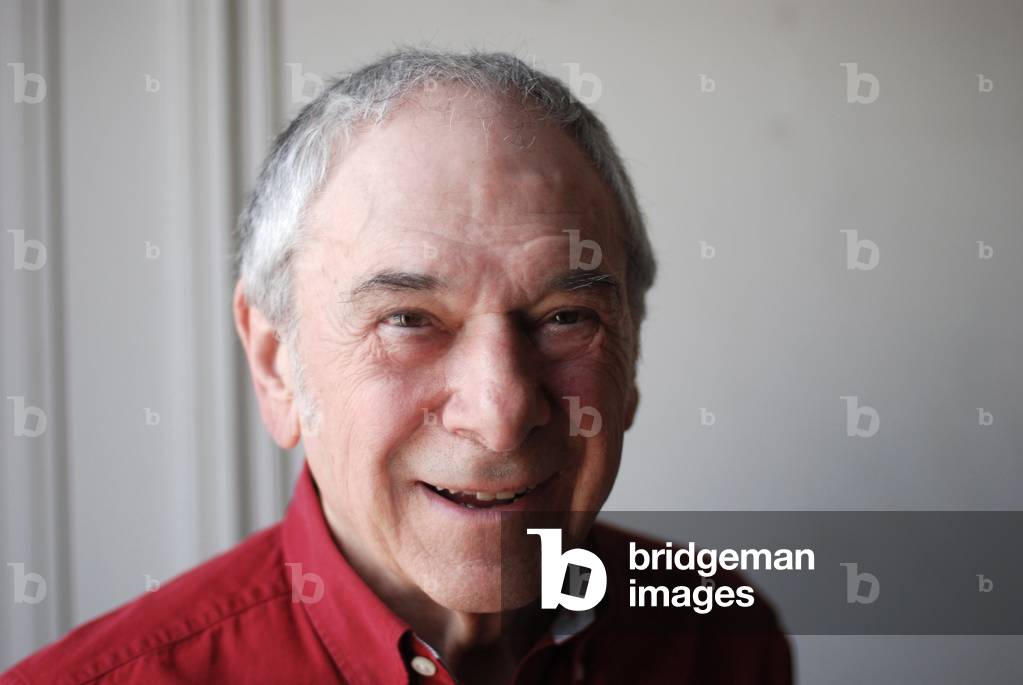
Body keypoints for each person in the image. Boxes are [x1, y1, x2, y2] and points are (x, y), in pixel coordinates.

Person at [2, 48, 790, 684]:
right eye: (409, 320)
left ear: (631, 350)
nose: (500, 408)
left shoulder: (719, 638)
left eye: (564, 318)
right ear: (277, 366)